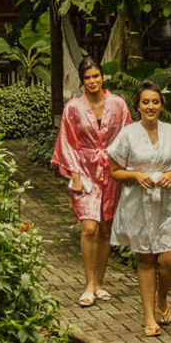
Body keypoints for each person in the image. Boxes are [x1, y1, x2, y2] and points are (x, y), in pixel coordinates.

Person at [106, 81, 171, 337]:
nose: (151, 106)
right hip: (138, 203)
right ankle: (149, 318)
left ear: (161, 106)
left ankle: (162, 296)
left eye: (155, 102)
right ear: (137, 106)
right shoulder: (127, 134)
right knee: (144, 259)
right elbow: (114, 171)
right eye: (145, 102)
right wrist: (135, 175)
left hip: (168, 203)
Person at [50, 56, 131, 307]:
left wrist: (125, 167)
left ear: (102, 77)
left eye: (96, 76)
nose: (93, 81)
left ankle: (99, 283)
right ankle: (87, 285)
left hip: (110, 170)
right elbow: (67, 140)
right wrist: (73, 174)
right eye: (88, 78)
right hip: (84, 170)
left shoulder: (118, 104)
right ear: (82, 81)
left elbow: (127, 136)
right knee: (89, 228)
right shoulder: (73, 107)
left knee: (105, 229)